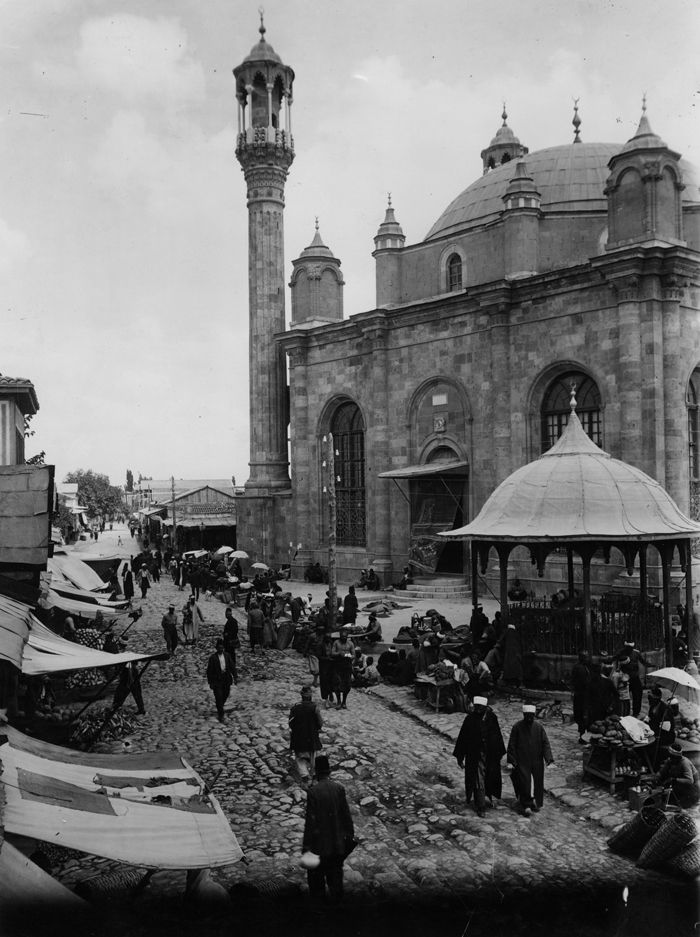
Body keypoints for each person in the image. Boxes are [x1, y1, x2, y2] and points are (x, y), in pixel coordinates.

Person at [302, 755, 355, 903]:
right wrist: (349, 838)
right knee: (336, 883)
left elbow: (310, 823)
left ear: (316, 772)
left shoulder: (313, 792)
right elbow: (346, 816)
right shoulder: (338, 788)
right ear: (329, 771)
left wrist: (306, 848)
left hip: (318, 846)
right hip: (337, 846)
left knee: (317, 885)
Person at [453, 696, 506, 817]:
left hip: (490, 755)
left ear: (485, 707)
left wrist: (499, 752)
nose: (477, 710)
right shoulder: (470, 719)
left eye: (480, 708)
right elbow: (463, 738)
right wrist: (460, 757)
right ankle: (480, 805)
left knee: (489, 776)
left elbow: (497, 736)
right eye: (476, 707)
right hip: (474, 755)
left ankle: (487, 798)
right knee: (478, 779)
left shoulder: (492, 719)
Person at [507, 704, 554, 816]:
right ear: (524, 715)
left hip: (537, 760)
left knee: (537, 783)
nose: (529, 718)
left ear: (534, 716)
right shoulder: (517, 727)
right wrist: (512, 761)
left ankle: (535, 803)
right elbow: (512, 744)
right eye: (527, 715)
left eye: (531, 716)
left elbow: (545, 743)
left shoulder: (538, 727)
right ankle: (526, 805)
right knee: (525, 783)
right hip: (522, 760)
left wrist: (549, 759)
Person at [289, 685, 323, 787]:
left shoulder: (295, 708)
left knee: (300, 758)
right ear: (311, 695)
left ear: (301, 695)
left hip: (299, 737)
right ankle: (313, 777)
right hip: (312, 737)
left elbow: (291, 723)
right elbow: (320, 723)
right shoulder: (315, 708)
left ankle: (305, 777)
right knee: (313, 757)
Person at [652, 743, 700, 808]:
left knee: (681, 804)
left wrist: (674, 780)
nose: (670, 758)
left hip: (690, 787)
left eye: (673, 757)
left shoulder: (685, 763)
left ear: (677, 757)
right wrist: (657, 777)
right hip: (678, 782)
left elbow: (690, 781)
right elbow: (662, 771)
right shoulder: (670, 760)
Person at [612, 640, 649, 717]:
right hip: (625, 677)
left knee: (638, 695)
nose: (629, 649)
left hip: (635, 677)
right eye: (628, 648)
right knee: (623, 697)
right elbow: (613, 660)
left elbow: (643, 662)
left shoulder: (636, 653)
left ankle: (636, 712)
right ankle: (622, 713)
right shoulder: (621, 652)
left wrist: (650, 665)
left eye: (631, 648)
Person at [206, 639, 235, 722]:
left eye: (222, 648)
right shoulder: (213, 658)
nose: (221, 650)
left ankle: (220, 706)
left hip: (226, 678)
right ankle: (221, 714)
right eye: (219, 648)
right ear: (216, 648)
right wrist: (210, 682)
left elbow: (232, 666)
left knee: (226, 693)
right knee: (218, 696)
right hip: (217, 680)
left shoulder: (227, 656)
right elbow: (209, 671)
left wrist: (235, 676)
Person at [331, 629, 355, 709]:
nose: (343, 638)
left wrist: (349, 656)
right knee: (337, 683)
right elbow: (332, 653)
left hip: (347, 666)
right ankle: (338, 701)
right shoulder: (336, 642)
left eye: (345, 637)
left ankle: (344, 701)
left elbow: (354, 654)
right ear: (340, 636)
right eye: (342, 637)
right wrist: (339, 653)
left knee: (347, 684)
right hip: (338, 665)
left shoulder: (350, 643)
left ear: (347, 637)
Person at [571, 651, 591, 743]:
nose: (587, 659)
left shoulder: (584, 667)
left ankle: (584, 734)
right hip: (581, 695)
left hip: (583, 694)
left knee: (584, 715)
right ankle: (582, 735)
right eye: (585, 657)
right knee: (582, 715)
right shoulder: (579, 668)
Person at [222, 607, 240, 682]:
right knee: (232, 655)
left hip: (229, 642)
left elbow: (233, 632)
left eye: (226, 614)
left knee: (230, 655)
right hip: (231, 642)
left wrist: (227, 635)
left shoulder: (231, 621)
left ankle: (231, 670)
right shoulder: (233, 621)